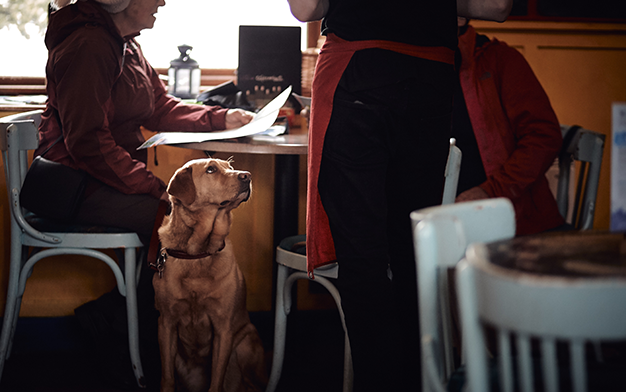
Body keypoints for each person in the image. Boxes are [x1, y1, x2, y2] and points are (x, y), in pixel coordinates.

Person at [286, 1, 512, 391]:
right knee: (412, 253)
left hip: (360, 67)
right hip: (431, 76)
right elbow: (497, 5)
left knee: (364, 262)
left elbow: (307, 7)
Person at [37, 0, 253, 386]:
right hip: (73, 185)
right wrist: (153, 188)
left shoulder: (126, 42)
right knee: (167, 221)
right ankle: (121, 331)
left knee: (173, 218)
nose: (162, 1)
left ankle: (131, 326)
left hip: (104, 177)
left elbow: (159, 106)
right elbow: (87, 142)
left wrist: (222, 118)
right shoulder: (90, 45)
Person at [453, 17, 567, 235]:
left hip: (515, 226)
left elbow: (543, 136)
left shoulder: (501, 59)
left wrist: (490, 191)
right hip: (445, 225)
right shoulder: (412, 66)